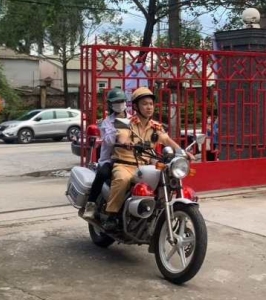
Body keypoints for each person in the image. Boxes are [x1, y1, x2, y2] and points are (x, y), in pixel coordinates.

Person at [103, 86, 194, 231]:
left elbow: (167, 140)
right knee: (122, 180)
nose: (149, 107)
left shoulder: (155, 126)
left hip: (146, 166)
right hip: (125, 164)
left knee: (165, 178)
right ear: (135, 106)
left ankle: (156, 214)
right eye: (144, 104)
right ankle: (112, 215)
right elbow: (122, 135)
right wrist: (126, 142)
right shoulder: (125, 122)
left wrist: (182, 151)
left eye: (151, 104)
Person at [82, 88, 128, 220]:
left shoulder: (134, 119)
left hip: (130, 158)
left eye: (121, 101)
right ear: (110, 105)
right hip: (110, 160)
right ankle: (91, 205)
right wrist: (119, 128)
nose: (119, 104)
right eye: (116, 102)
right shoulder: (107, 122)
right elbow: (109, 140)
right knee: (102, 174)